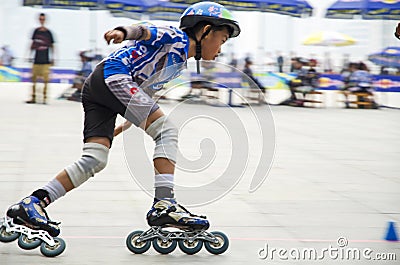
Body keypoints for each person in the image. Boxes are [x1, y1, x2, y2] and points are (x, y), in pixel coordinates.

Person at [5, 2, 240, 240]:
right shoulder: (176, 37)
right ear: (205, 31)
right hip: (114, 76)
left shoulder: (178, 65)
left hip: (100, 85)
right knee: (167, 131)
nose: (221, 49)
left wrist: (121, 126)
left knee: (94, 159)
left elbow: (143, 96)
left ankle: (33, 203)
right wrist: (123, 32)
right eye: (222, 39)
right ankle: (165, 204)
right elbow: (145, 30)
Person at [26, 13, 55, 104]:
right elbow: (32, 44)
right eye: (40, 19)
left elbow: (52, 46)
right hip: (36, 59)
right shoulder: (36, 31)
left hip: (46, 60)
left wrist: (53, 58)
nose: (41, 20)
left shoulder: (48, 33)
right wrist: (29, 55)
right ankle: (33, 97)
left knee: (46, 81)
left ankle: (44, 98)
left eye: (43, 19)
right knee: (33, 80)